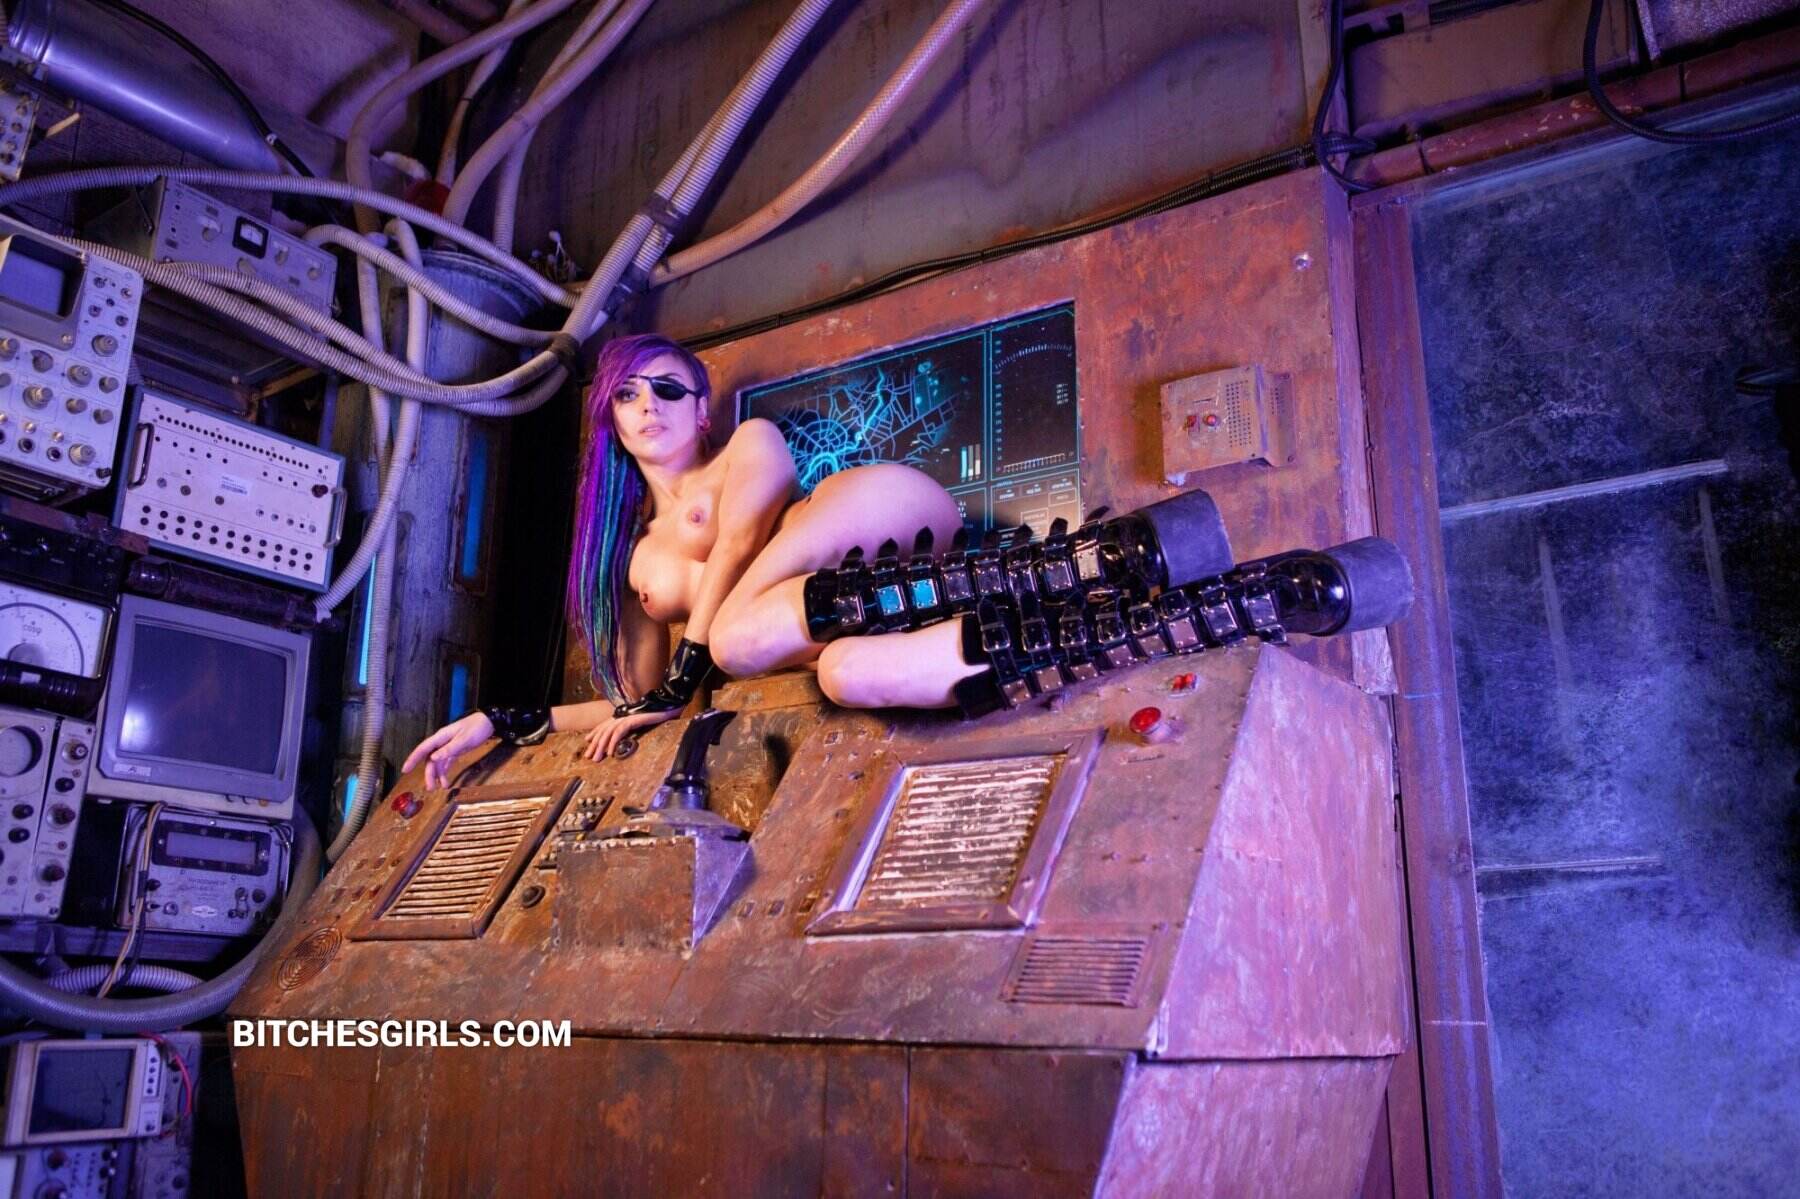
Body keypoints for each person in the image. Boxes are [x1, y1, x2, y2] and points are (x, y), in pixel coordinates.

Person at [402, 333, 984, 788]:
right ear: (612, 418)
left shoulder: (748, 444)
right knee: (844, 674)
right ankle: (1003, 635)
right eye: (628, 394)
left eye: (668, 390)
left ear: (702, 410)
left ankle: (971, 593)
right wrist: (504, 720)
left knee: (733, 642)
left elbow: (739, 543)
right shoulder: (633, 559)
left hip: (884, 513)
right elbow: (640, 700)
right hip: (859, 614)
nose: (648, 405)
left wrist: (683, 680)